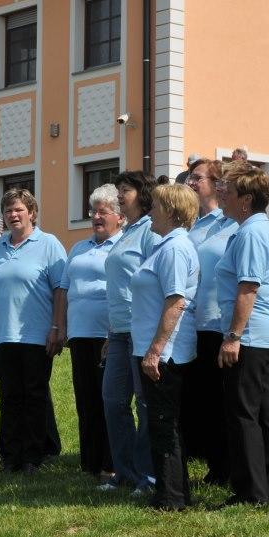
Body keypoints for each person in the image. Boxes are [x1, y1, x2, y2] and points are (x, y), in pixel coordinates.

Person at [215, 163, 269, 506]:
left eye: (226, 190)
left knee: (245, 413)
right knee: (265, 412)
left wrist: (233, 337)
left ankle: (250, 492)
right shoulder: (257, 229)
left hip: (252, 335)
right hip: (265, 333)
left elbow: (248, 287)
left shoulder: (250, 233)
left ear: (245, 200)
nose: (220, 194)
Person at [0, 188, 67, 473]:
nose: (12, 215)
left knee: (34, 395)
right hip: (5, 336)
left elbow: (60, 290)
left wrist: (56, 327)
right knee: (9, 397)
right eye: (8, 211)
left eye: (18, 209)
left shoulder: (49, 244)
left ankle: (32, 456)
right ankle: (9, 455)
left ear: (31, 212)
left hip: (36, 334)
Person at [132, 184, 200, 510]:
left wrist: (156, 350)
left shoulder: (174, 249)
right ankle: (173, 492)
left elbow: (175, 301)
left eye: (155, 207)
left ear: (171, 212)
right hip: (157, 349)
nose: (149, 213)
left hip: (165, 354)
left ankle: (171, 498)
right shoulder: (165, 246)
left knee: (164, 423)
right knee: (163, 422)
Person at [100, 170, 161, 495]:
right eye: (118, 190)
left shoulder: (151, 230)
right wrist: (111, 332)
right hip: (120, 333)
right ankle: (123, 472)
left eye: (125, 190)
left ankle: (147, 476)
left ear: (142, 193)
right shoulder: (126, 231)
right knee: (112, 400)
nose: (119, 195)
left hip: (142, 331)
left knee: (144, 404)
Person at [56, 184, 123, 479]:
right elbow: (64, 288)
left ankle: (111, 462)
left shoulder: (122, 247)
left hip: (108, 334)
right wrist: (60, 326)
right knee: (85, 398)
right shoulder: (78, 248)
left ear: (119, 217)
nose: (96, 216)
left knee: (108, 398)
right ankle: (90, 462)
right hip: (80, 334)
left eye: (103, 212)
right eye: (93, 211)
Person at [184, 159, 239, 484]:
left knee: (222, 401)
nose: (191, 182)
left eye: (197, 178)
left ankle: (227, 467)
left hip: (220, 324)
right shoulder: (194, 226)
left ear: (217, 184)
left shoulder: (231, 224)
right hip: (194, 325)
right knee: (202, 400)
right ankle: (213, 463)